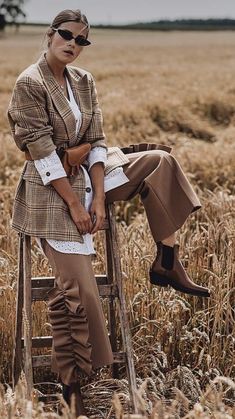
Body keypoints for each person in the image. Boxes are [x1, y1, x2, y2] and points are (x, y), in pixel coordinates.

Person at [7, 8, 210, 416]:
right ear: (50, 35)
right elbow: (42, 154)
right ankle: (72, 386)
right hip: (53, 192)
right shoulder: (30, 83)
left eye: (83, 40)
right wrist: (75, 202)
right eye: (67, 35)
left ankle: (166, 261)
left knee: (160, 162)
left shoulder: (84, 81)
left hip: (88, 178)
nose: (74, 45)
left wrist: (99, 199)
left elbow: (97, 142)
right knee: (78, 293)